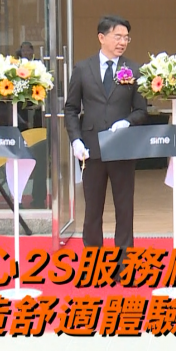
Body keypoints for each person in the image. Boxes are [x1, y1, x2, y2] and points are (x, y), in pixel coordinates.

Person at [64, 15, 147, 277]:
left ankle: (124, 264)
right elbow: (71, 108)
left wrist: (127, 121)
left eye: (126, 37)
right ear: (101, 37)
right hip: (91, 149)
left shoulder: (135, 69)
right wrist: (75, 139)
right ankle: (94, 263)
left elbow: (142, 110)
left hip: (122, 147)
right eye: (117, 36)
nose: (123, 42)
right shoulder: (82, 68)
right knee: (92, 209)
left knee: (124, 208)